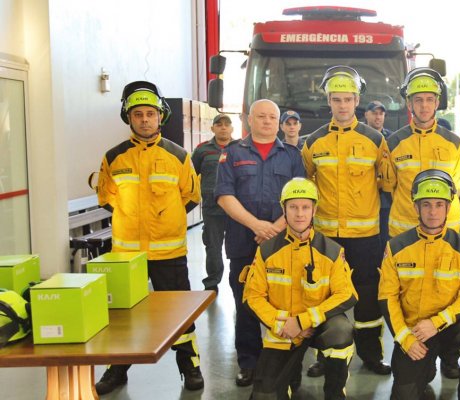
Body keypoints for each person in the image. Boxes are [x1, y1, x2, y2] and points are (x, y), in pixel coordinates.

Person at [95, 81, 203, 393]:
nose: (144, 119)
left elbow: (191, 197)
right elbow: (106, 197)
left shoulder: (179, 156)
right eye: (138, 114)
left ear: (160, 117)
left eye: (150, 114)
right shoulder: (114, 157)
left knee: (179, 312)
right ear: (128, 118)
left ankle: (190, 365)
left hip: (169, 252)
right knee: (122, 314)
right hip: (126, 255)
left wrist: (164, 218)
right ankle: (117, 371)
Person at [301, 65, 392, 376]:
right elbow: (307, 186)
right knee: (324, 296)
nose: (342, 105)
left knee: (367, 299)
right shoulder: (313, 142)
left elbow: (387, 184)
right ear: (329, 101)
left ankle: (371, 355)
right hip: (326, 236)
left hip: (366, 236)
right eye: (336, 99)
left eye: (348, 99)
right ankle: (326, 356)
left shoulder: (375, 140)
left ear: (357, 102)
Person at [382, 68, 460, 378]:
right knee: (408, 297)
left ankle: (449, 358)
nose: (424, 106)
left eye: (429, 100)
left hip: (447, 236)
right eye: (418, 100)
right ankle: (409, 346)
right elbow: (388, 185)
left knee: (449, 294)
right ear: (410, 104)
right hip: (405, 235)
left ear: (437, 103)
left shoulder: (454, 143)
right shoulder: (393, 142)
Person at [216, 99, 306, 386]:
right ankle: (249, 362)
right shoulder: (231, 154)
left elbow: (300, 197)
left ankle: (282, 360)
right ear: (249, 119)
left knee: (285, 300)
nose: (267, 121)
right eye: (261, 116)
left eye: (272, 117)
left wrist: (276, 227)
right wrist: (256, 225)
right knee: (246, 302)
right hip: (243, 240)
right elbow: (224, 195)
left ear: (278, 122)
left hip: (283, 242)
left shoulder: (291, 155)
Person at [378, 170, 460, 399]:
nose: (433, 211)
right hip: (416, 331)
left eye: (439, 204)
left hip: (451, 325)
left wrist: (438, 322)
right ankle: (424, 371)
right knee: (404, 395)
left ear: (449, 208)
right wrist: (404, 338)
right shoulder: (396, 247)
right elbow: (387, 298)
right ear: (415, 207)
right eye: (426, 204)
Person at [244, 178, 357, 400]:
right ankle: (290, 377)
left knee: (341, 332)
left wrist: (304, 321)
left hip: (319, 325)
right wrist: (284, 323)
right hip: (283, 329)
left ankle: (335, 392)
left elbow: (346, 294)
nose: (299, 214)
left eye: (305, 207)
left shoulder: (332, 251)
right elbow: (253, 296)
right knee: (264, 396)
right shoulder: (266, 251)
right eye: (293, 207)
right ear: (283, 209)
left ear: (314, 210)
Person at [192, 113, 236, 291]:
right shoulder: (203, 150)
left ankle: (240, 282)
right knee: (213, 248)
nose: (223, 127)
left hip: (236, 209)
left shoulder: (239, 148)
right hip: (212, 209)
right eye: (219, 124)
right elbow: (189, 175)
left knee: (238, 249)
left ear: (232, 128)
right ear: (212, 129)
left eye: (227, 124)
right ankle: (211, 284)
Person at [365, 100, 394, 256]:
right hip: (364, 196)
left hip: (385, 198)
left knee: (384, 237)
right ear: (366, 115)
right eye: (374, 113)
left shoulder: (393, 138)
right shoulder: (361, 136)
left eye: (381, 113)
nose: (378, 117)